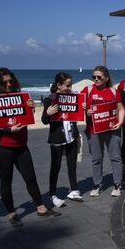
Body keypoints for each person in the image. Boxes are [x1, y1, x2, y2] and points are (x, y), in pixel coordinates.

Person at [0, 68, 61, 227]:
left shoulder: (21, 97)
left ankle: (41, 208)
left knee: (30, 177)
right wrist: (8, 130)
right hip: (2, 148)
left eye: (10, 81)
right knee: (6, 181)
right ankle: (12, 213)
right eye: (4, 82)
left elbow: (25, 118)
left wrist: (30, 107)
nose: (8, 84)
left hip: (21, 145)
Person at [82, 66, 125, 197]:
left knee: (116, 158)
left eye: (99, 77)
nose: (96, 79)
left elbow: (121, 109)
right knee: (96, 159)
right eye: (94, 77)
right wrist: (86, 111)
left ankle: (117, 184)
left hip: (112, 130)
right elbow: (78, 108)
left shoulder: (113, 91)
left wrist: (120, 122)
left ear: (106, 78)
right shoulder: (88, 90)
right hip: (93, 130)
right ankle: (97, 184)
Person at [41, 72, 83, 206]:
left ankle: (74, 189)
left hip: (71, 135)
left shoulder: (73, 98)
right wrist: (48, 113)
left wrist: (83, 108)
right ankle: (52, 194)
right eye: (67, 85)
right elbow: (44, 120)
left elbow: (78, 114)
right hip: (57, 137)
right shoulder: (50, 99)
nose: (70, 88)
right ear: (59, 85)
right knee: (56, 165)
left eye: (71, 85)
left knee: (72, 164)